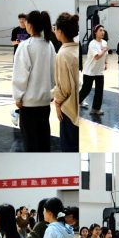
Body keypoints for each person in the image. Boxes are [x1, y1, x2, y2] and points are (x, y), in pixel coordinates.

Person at [12, 11, 56, 152]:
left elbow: (20, 74)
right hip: (45, 101)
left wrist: (18, 97)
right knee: (44, 140)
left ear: (30, 25)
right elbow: (53, 71)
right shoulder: (49, 45)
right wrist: (52, 92)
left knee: (31, 142)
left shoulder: (25, 46)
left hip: (29, 103)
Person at [52, 12, 80, 153]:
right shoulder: (77, 49)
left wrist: (57, 103)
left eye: (55, 28)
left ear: (60, 32)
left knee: (69, 147)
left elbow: (64, 87)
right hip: (78, 107)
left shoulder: (63, 54)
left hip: (68, 109)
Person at [79, 25, 109, 115]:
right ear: (95, 32)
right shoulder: (92, 43)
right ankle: (73, 104)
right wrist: (104, 51)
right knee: (86, 90)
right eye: (100, 30)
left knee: (99, 90)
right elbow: (96, 57)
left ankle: (95, 109)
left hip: (99, 71)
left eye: (103, 30)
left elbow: (105, 55)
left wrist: (105, 63)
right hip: (90, 71)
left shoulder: (104, 42)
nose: (103, 32)